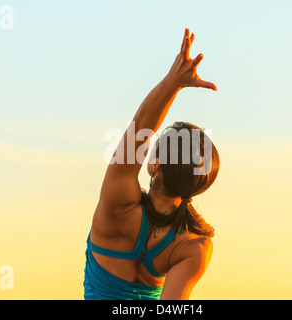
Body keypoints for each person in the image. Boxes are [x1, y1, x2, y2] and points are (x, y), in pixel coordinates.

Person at [84, 28, 220, 300]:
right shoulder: (193, 247)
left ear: (155, 164)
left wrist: (173, 82)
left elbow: (138, 133)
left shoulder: (117, 204)